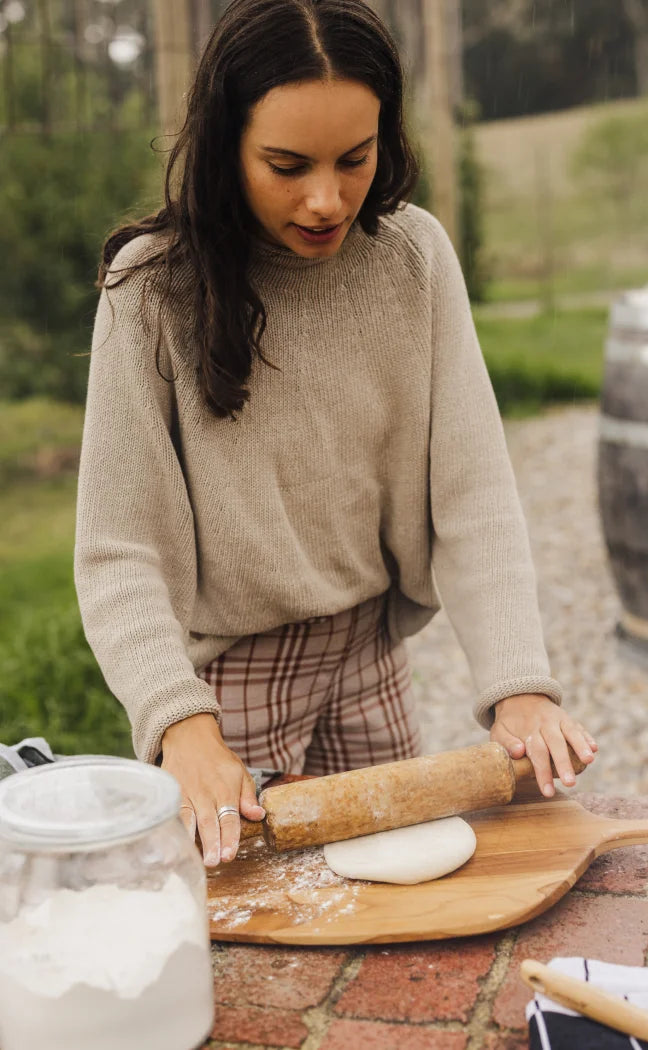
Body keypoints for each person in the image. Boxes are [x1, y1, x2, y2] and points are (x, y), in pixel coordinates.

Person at [75, 0, 597, 869]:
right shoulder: (150, 290)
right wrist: (179, 721)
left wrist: (518, 687)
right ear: (223, 146)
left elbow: (473, 494)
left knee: (399, 904)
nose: (326, 199)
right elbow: (117, 548)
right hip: (226, 687)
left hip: (370, 657)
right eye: (286, 165)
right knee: (253, 939)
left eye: (354, 160)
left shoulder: (414, 257)